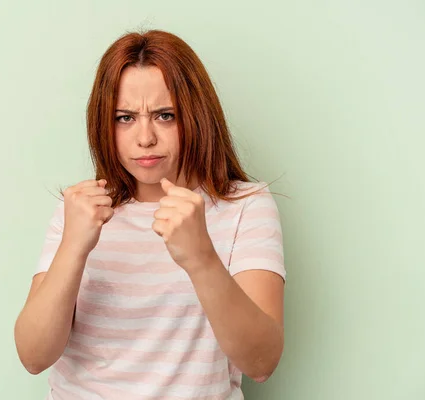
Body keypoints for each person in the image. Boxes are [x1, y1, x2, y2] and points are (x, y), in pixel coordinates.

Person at [14, 29, 286, 400]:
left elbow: (262, 362)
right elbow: (33, 356)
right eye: (125, 118)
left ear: (197, 115)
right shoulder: (80, 208)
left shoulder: (245, 205)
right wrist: (73, 247)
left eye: (165, 115)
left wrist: (201, 257)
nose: (145, 138)